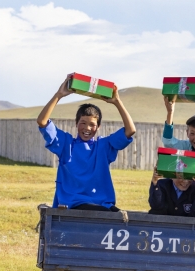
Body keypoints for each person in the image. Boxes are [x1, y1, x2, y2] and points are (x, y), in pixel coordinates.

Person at [36, 75, 136, 211]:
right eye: (83, 123)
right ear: (76, 123)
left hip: (102, 205)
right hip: (73, 205)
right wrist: (59, 95)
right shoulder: (66, 144)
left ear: (98, 126)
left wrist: (117, 101)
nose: (87, 128)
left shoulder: (103, 146)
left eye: (92, 124)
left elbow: (130, 130)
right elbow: (42, 122)